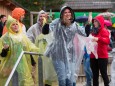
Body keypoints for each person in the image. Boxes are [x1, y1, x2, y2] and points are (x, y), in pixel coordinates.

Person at [42, 6, 89, 86]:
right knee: (62, 79)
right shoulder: (57, 22)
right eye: (65, 12)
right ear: (62, 14)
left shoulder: (74, 25)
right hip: (58, 53)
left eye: (69, 12)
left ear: (71, 14)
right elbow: (45, 31)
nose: (67, 14)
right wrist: (47, 22)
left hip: (70, 54)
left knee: (70, 80)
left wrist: (88, 23)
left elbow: (85, 33)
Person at [0, 15, 39, 86]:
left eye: (16, 24)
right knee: (13, 81)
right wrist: (5, 49)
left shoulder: (22, 36)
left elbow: (29, 47)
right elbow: (2, 55)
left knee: (23, 81)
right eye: (13, 25)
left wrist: (35, 57)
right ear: (9, 26)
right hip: (10, 65)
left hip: (22, 64)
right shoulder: (5, 37)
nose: (15, 26)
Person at [90, 15, 110, 86]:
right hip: (93, 56)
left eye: (96, 21)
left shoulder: (104, 31)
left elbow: (107, 41)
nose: (94, 23)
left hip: (102, 56)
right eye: (94, 21)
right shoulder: (93, 31)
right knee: (95, 76)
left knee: (104, 74)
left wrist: (98, 39)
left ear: (100, 22)